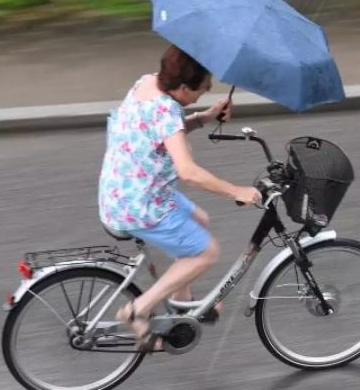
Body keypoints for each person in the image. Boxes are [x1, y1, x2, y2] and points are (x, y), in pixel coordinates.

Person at [98, 45, 261, 350]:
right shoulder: (166, 109)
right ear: (183, 87)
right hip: (138, 204)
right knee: (206, 251)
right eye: (203, 88)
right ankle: (137, 311)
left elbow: (162, 131)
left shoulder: (146, 82)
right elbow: (188, 173)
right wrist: (238, 191)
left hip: (122, 189)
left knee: (199, 219)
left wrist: (205, 116)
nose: (207, 91)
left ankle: (180, 301)